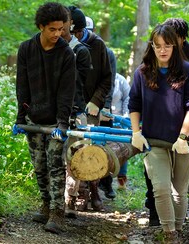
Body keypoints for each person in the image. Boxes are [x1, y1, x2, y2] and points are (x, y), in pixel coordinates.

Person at [128, 24, 189, 242]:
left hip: (183, 141)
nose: (162, 50)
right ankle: (169, 234)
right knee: (160, 188)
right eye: (158, 46)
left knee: (179, 191)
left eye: (167, 46)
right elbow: (134, 104)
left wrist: (183, 137)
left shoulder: (187, 70)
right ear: (152, 46)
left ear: (174, 46)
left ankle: (178, 231)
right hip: (154, 141)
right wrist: (136, 132)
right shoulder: (142, 72)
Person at [14, 2, 75, 234]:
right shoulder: (26, 49)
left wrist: (62, 122)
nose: (58, 34)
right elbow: (22, 85)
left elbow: (66, 92)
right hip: (34, 118)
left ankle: (58, 213)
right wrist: (21, 116)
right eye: (52, 29)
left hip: (56, 121)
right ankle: (46, 204)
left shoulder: (66, 53)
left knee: (55, 165)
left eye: (61, 29)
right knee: (39, 165)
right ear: (41, 26)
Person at [143, 18, 189, 227]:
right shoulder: (153, 57)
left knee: (179, 187)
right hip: (156, 129)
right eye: (160, 43)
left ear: (181, 38)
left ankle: (176, 227)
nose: (165, 47)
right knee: (156, 179)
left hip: (183, 125)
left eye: (171, 40)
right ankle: (155, 213)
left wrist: (184, 130)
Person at [68, 6, 112, 211]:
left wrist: (96, 101)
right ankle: (69, 196)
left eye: (74, 33)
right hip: (67, 105)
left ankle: (94, 190)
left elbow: (106, 78)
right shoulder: (59, 44)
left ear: (80, 31)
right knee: (68, 151)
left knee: (89, 151)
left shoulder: (98, 46)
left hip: (90, 107)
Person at [61, 6, 92, 218]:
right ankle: (55, 200)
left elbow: (79, 83)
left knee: (74, 155)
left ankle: (70, 198)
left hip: (76, 109)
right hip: (53, 109)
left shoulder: (81, 51)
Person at [111, 73, 131, 189]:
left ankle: (121, 178)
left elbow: (128, 98)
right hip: (103, 119)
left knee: (123, 147)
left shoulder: (120, 80)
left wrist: (125, 115)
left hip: (119, 120)